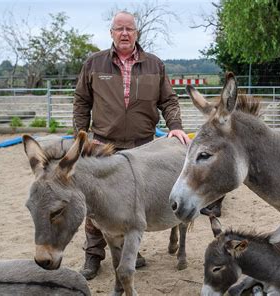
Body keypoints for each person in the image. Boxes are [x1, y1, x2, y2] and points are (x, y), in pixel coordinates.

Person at [72, 11, 192, 280]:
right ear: (111, 33)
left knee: (134, 203)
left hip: (142, 149)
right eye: (119, 29)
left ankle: (130, 251)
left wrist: (175, 126)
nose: (124, 33)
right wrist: (80, 136)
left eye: (129, 29)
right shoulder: (94, 64)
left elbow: (169, 101)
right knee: (96, 202)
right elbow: (81, 101)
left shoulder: (154, 65)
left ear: (136, 33)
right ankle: (93, 256)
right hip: (103, 145)